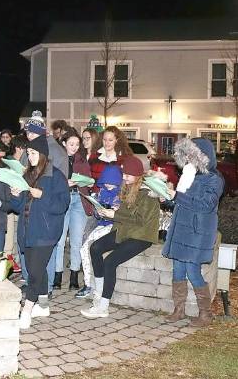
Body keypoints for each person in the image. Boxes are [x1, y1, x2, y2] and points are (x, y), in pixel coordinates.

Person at [81, 155, 159, 318]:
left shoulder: (147, 193)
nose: (124, 178)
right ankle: (99, 292)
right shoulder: (128, 187)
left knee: (110, 262)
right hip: (125, 230)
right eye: (124, 174)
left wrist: (114, 214)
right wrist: (108, 211)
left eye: (128, 175)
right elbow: (125, 213)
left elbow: (140, 220)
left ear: (138, 175)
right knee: (95, 248)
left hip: (141, 235)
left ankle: (103, 306)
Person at [162, 138, 224, 326]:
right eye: (186, 154)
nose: (188, 158)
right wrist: (166, 196)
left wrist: (178, 196)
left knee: (192, 270)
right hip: (181, 228)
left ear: (203, 156)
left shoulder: (215, 179)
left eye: (192, 154)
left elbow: (205, 205)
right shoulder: (189, 174)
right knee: (178, 269)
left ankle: (205, 314)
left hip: (198, 231)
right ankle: (178, 310)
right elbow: (179, 202)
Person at [12, 136, 70, 329]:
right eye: (28, 153)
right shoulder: (27, 174)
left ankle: (27, 310)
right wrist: (15, 195)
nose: (30, 156)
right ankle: (43, 305)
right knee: (35, 267)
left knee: (35, 273)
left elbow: (62, 205)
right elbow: (19, 206)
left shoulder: (56, 176)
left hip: (46, 232)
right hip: (27, 231)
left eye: (33, 153)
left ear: (43, 154)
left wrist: (42, 196)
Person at [51, 128, 91, 291]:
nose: (74, 147)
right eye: (71, 144)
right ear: (64, 143)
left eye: (77, 144)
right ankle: (57, 275)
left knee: (76, 241)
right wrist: (64, 183)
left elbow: (88, 181)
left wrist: (87, 182)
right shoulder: (57, 159)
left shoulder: (82, 160)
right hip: (63, 199)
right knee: (59, 241)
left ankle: (74, 275)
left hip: (78, 200)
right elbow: (51, 181)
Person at [76, 164, 123, 298]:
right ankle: (87, 283)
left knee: (94, 248)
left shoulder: (121, 194)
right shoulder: (102, 192)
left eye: (112, 182)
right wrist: (98, 210)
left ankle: (95, 285)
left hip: (113, 227)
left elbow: (123, 216)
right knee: (84, 248)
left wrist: (114, 210)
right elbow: (96, 214)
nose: (108, 185)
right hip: (101, 224)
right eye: (106, 181)